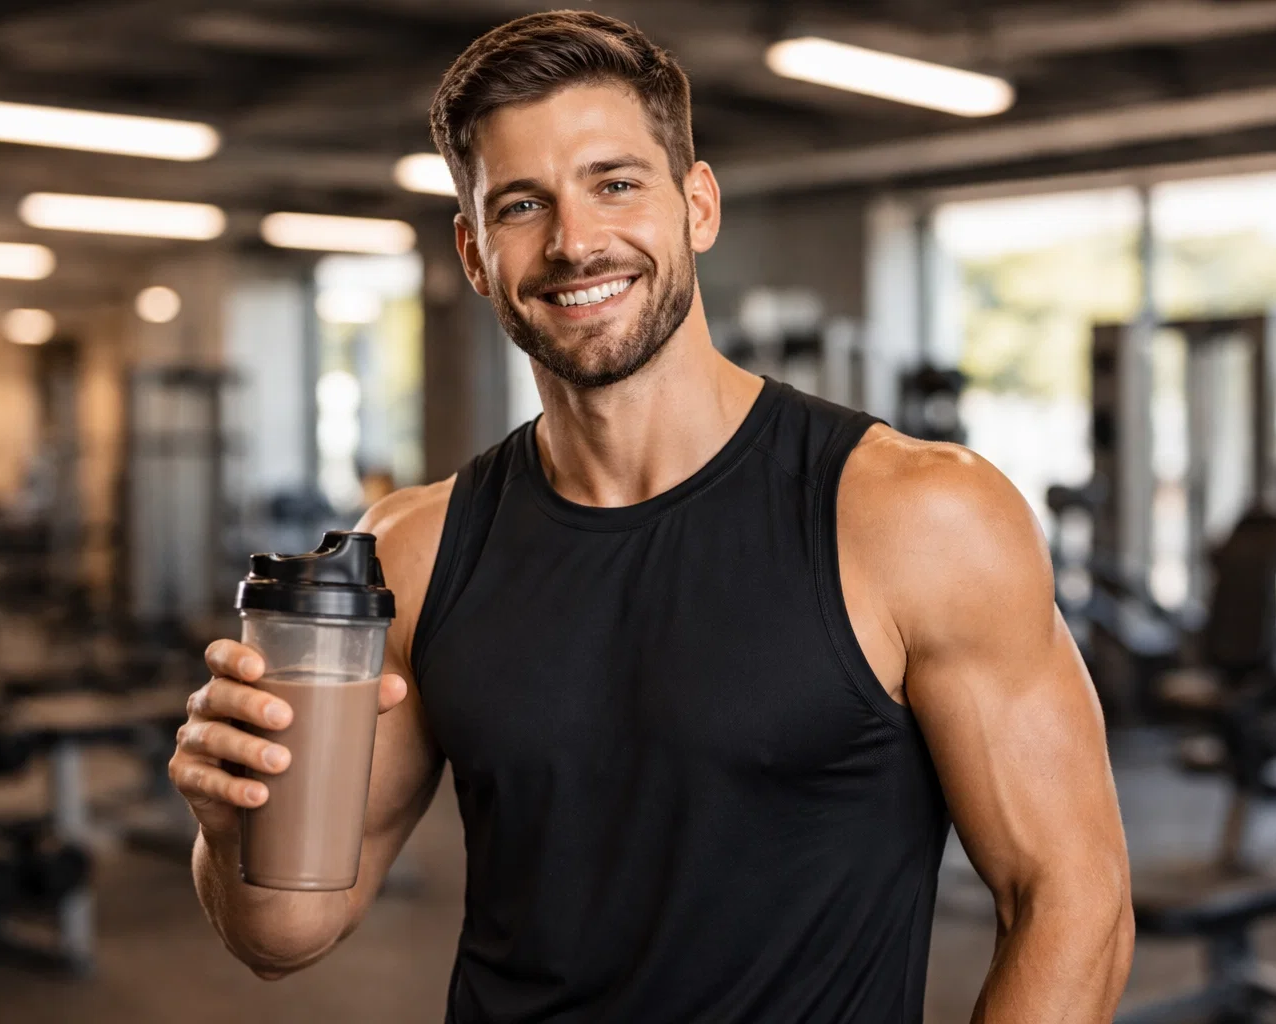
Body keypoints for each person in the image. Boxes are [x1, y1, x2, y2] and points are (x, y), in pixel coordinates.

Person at [170, 10, 1133, 1022]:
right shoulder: (416, 547)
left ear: (697, 204)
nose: (576, 242)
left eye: (615, 183)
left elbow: (1072, 898)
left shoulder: (918, 515)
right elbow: (284, 933)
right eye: (521, 205)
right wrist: (226, 821)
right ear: (471, 250)